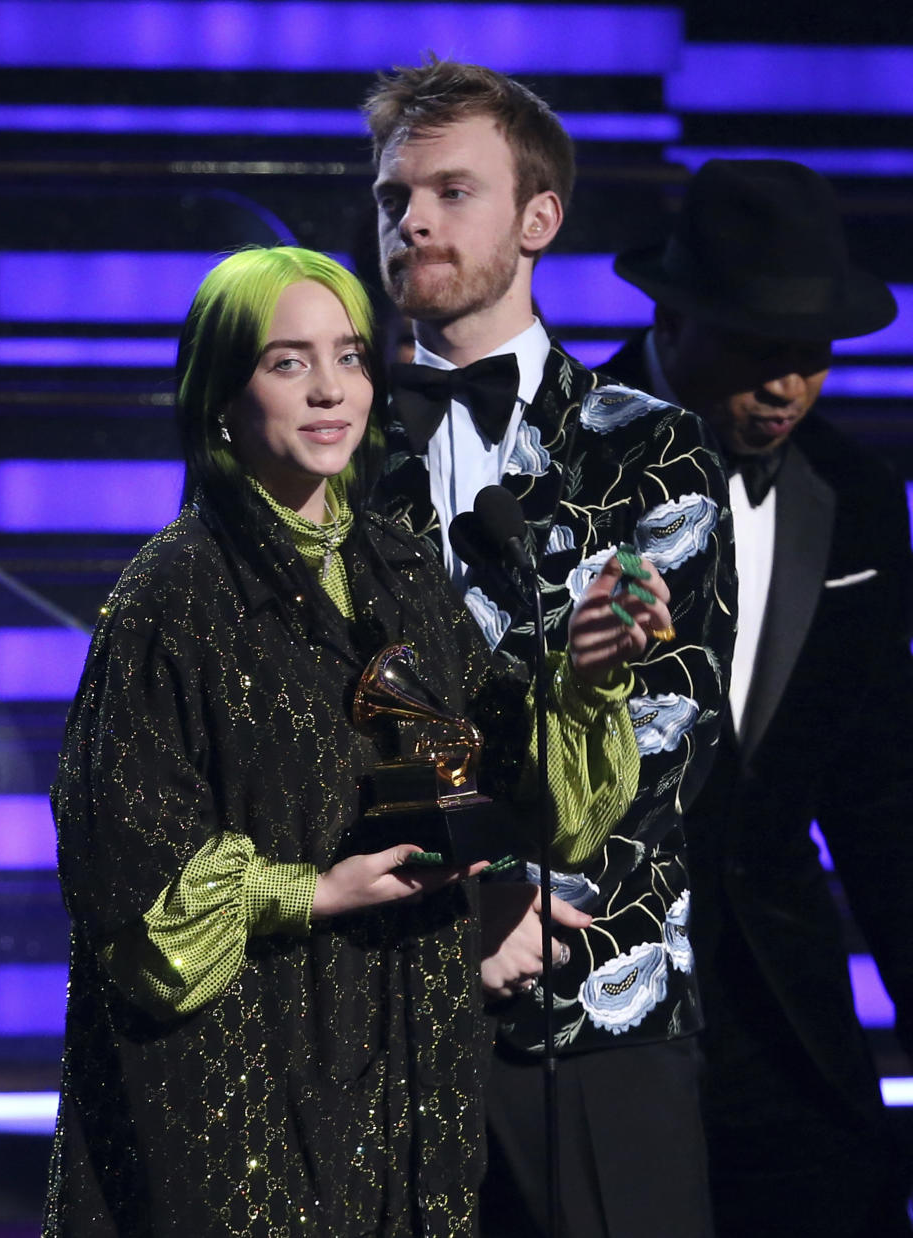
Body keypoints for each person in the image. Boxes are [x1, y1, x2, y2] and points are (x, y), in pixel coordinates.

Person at [42, 245, 653, 1237]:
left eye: (350, 356)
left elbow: (516, 793)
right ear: (219, 394)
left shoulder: (400, 568)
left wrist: (584, 673)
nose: (330, 389)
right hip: (236, 1085)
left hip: (407, 1063)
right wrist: (313, 891)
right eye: (288, 362)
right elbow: (128, 891)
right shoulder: (172, 598)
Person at [364, 60, 736, 1238]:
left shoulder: (651, 447)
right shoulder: (326, 447)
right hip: (380, 1003)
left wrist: (524, 895)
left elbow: (672, 723)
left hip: (602, 1003)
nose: (412, 219)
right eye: (391, 198)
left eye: (450, 191)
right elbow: (315, 706)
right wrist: (462, 889)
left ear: (539, 219)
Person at [607, 157, 913, 1236]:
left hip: (783, 1021)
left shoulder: (861, 504)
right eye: (761, 348)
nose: (790, 384)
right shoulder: (538, 465)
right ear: (677, 318)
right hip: (586, 1017)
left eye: (813, 355)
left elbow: (881, 795)